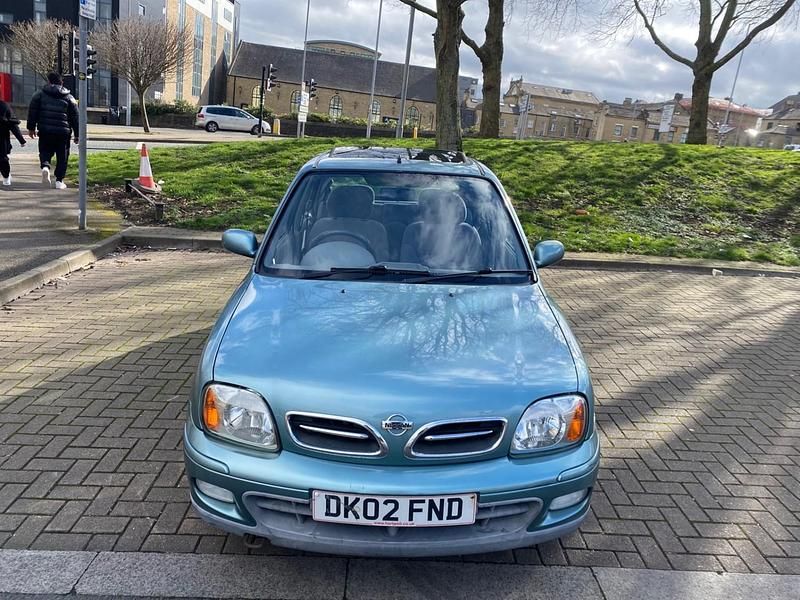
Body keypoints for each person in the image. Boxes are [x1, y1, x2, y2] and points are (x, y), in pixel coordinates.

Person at [27, 72, 79, 190]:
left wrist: (31, 127)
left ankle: (45, 167)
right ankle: (59, 181)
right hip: (63, 132)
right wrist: (77, 134)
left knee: (45, 150)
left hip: (45, 130)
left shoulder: (39, 94)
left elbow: (32, 111)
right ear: (61, 82)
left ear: (49, 81)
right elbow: (75, 117)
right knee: (63, 156)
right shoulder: (69, 97)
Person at [0, 100, 26, 186]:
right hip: (2, 139)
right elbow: (13, 124)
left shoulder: (4, 106)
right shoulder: (4, 106)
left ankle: (6, 176)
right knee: (2, 159)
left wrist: (21, 140)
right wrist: (21, 140)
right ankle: (6, 178)